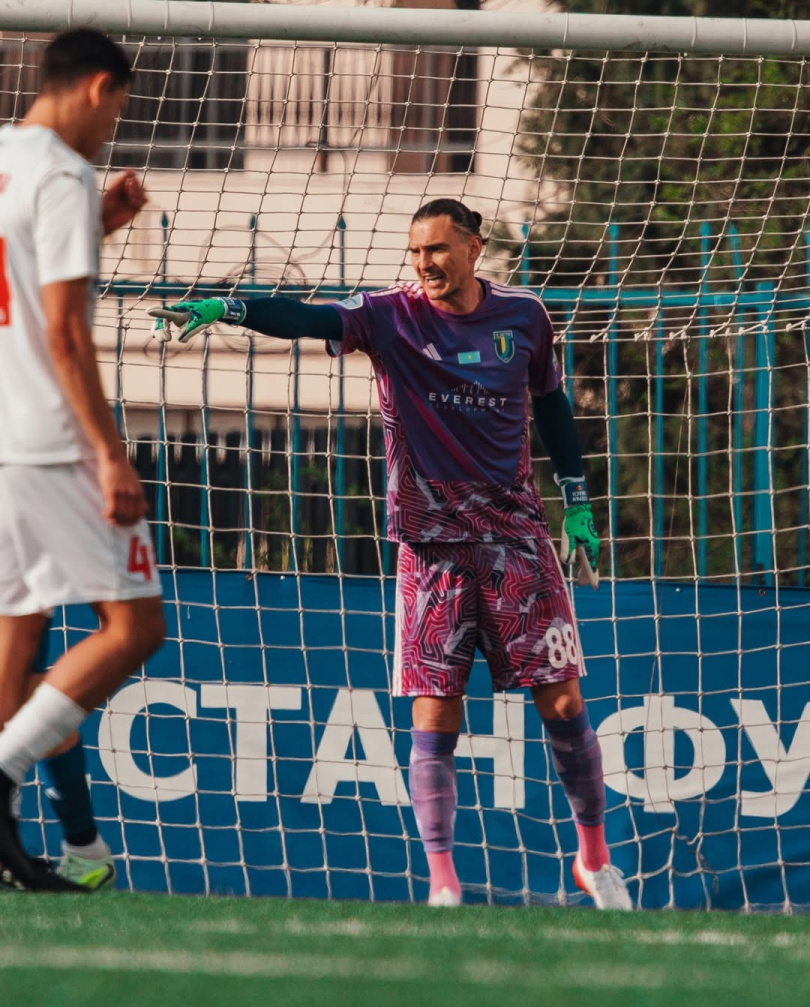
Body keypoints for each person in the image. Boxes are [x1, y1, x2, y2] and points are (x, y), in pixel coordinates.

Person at [150, 198, 632, 911]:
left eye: (437, 249)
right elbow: (308, 318)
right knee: (435, 717)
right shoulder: (388, 315)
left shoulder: (525, 316)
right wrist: (229, 308)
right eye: (416, 252)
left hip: (516, 540)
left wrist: (578, 499)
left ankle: (593, 859)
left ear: (473, 248)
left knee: (563, 701)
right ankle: (444, 883)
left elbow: (554, 404)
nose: (424, 264)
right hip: (429, 547)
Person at [0, 29, 165, 891]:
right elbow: (64, 332)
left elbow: (20, 278)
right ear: (99, 88)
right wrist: (109, 454)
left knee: (14, 644)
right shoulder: (63, 173)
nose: (111, 131)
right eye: (119, 111)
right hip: (51, 440)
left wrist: (99, 226)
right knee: (135, 627)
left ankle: (44, 848)